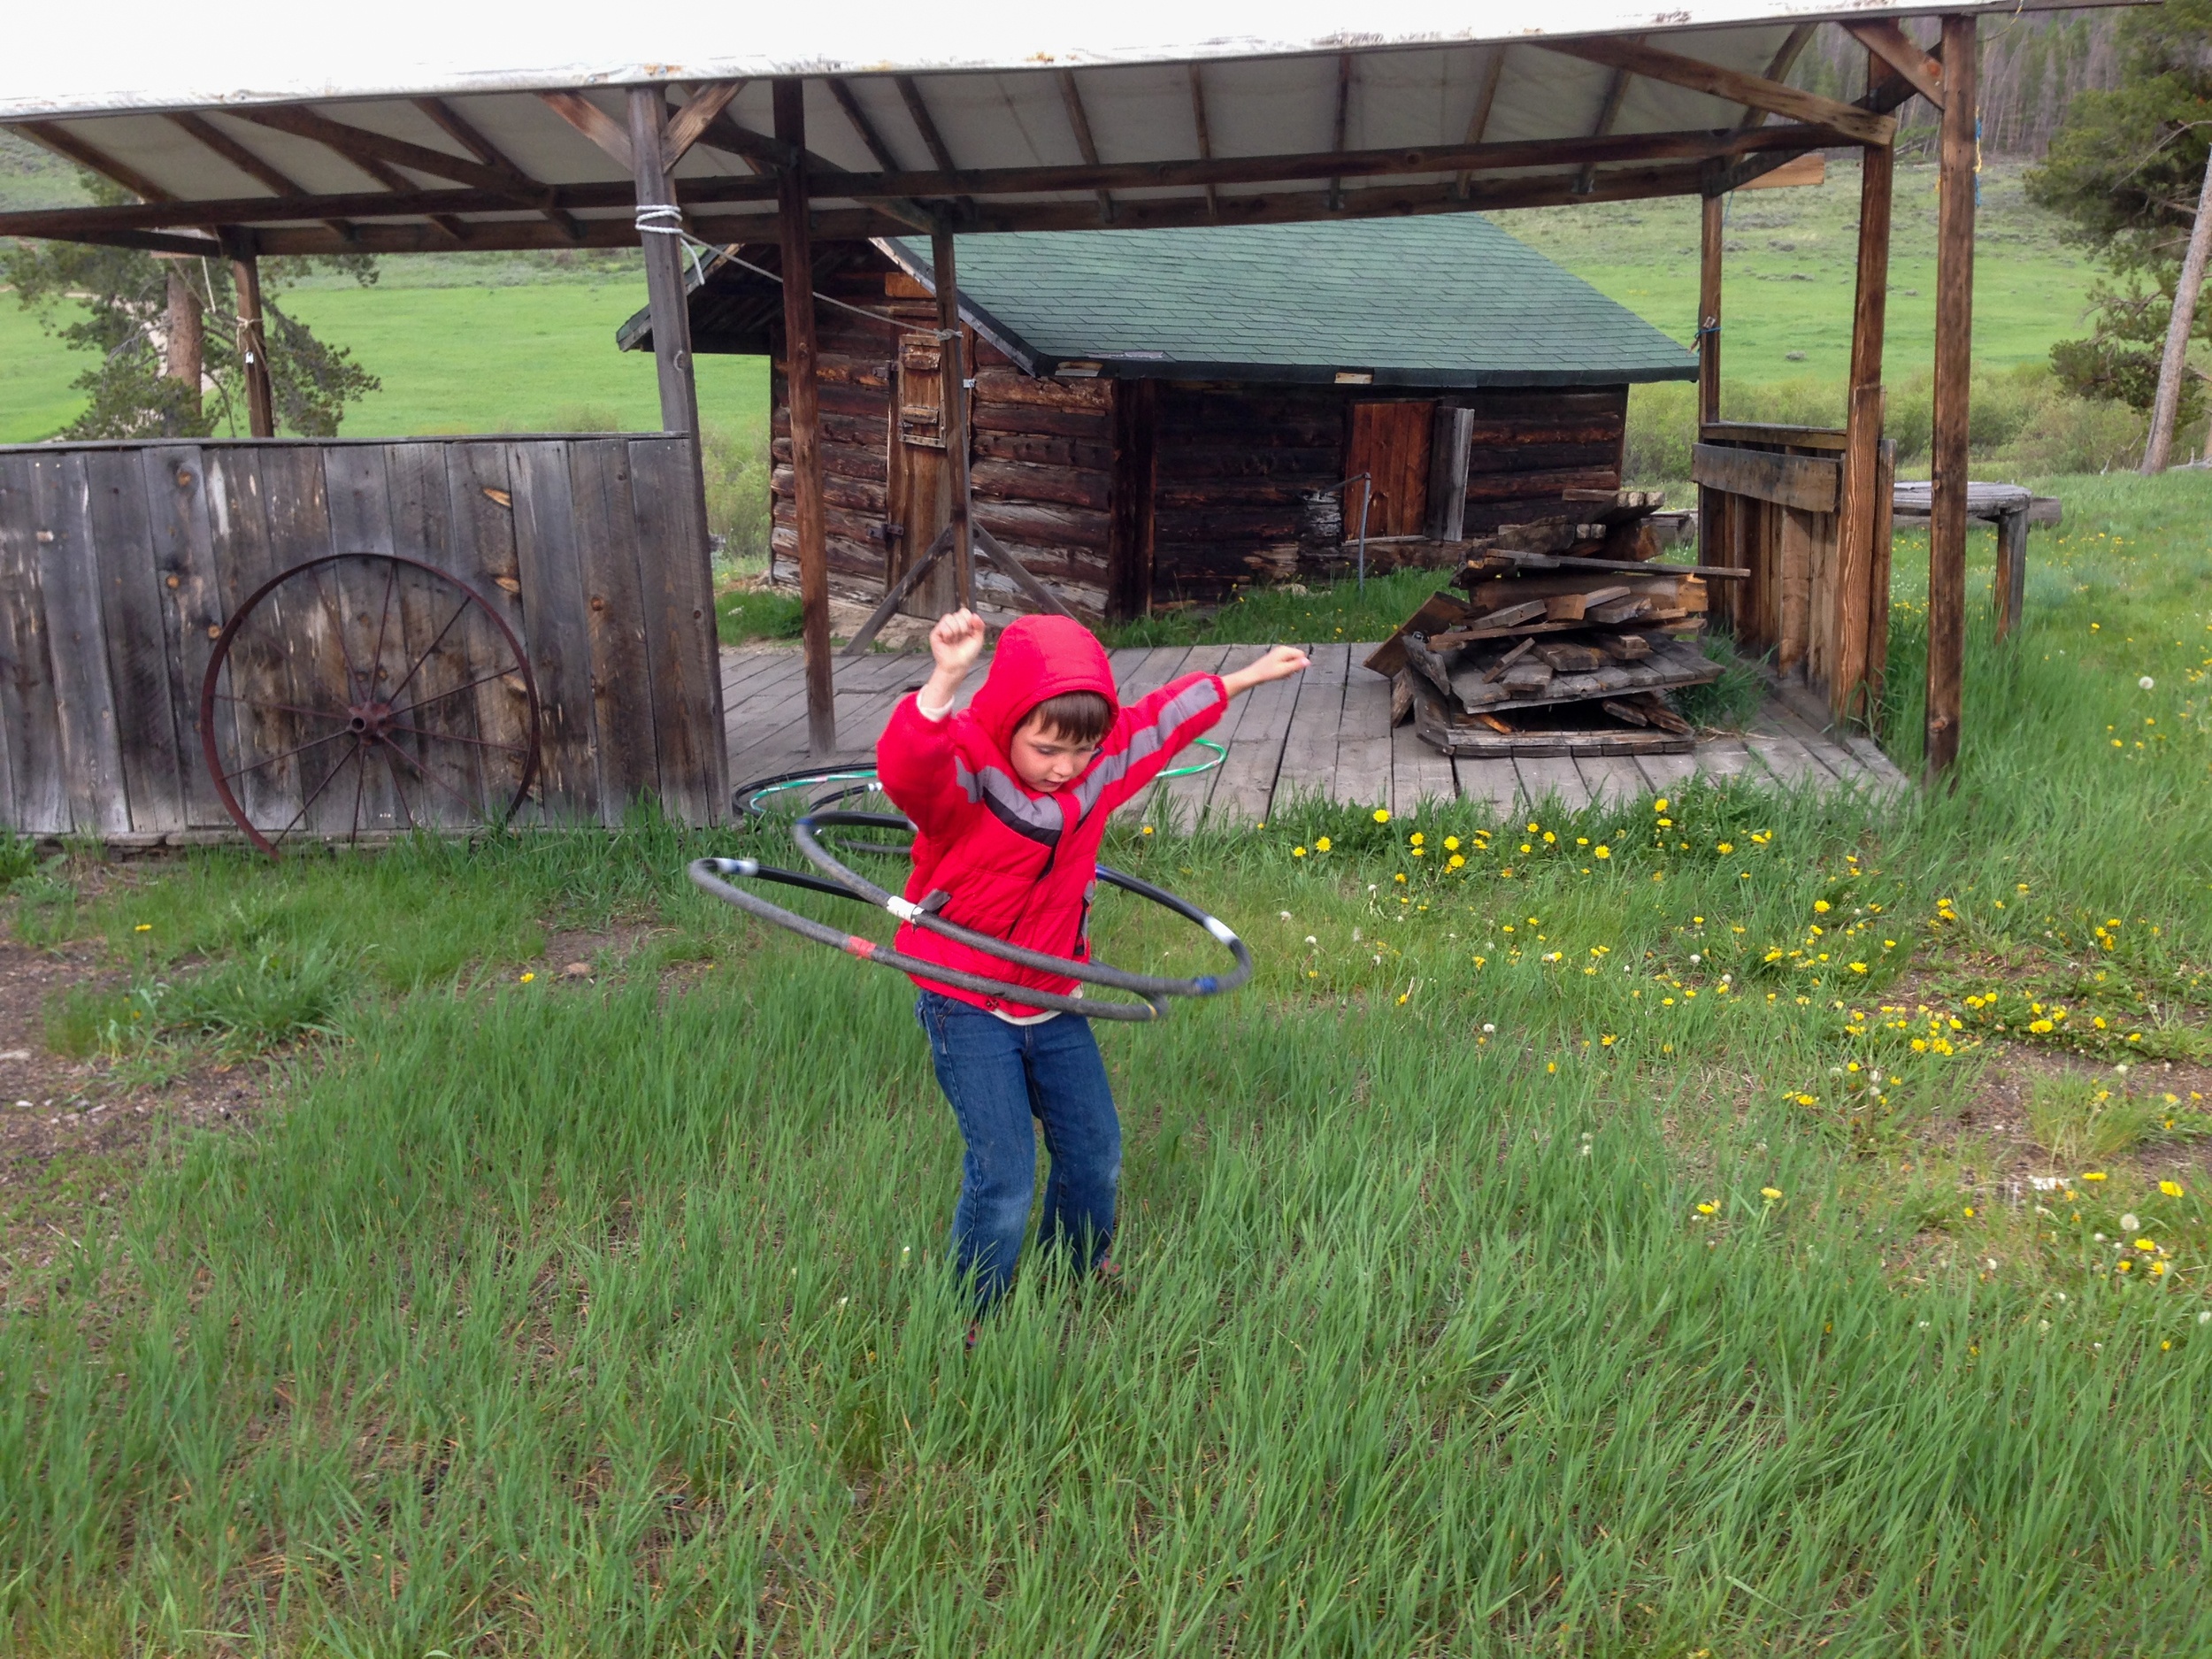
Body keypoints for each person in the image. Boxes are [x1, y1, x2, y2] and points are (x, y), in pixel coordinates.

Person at [878, 609, 1308, 1326]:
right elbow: (909, 770)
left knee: (1096, 1151)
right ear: (1007, 722)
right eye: (1047, 748)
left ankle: (1074, 1269)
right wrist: (946, 676)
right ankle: (972, 1314)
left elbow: (1156, 724)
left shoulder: (1095, 772)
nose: (1066, 767)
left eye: (1081, 750)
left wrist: (1245, 676)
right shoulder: (966, 780)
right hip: (968, 997)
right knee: (1007, 1171)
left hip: (1053, 994)